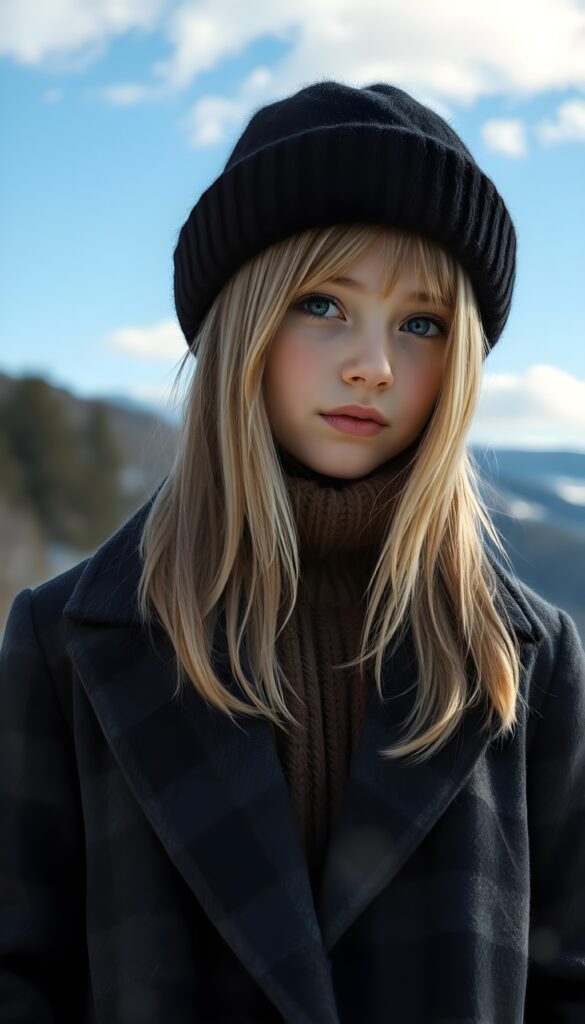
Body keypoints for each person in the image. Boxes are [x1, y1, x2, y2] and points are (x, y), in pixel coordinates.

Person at [1, 80, 584, 1024]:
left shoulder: (528, 660)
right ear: (242, 323)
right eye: (323, 303)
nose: (374, 365)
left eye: (422, 324)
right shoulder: (64, 644)